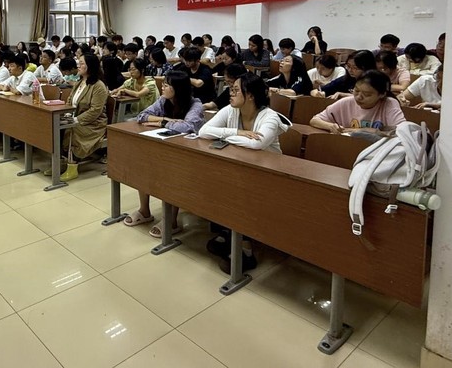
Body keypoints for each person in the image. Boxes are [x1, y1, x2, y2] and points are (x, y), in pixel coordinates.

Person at [199, 73, 291, 272]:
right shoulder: (231, 110)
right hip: (241, 167)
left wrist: (224, 136)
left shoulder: (269, 116)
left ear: (250, 95)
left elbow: (257, 144)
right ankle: (229, 232)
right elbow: (203, 132)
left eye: (235, 90)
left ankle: (246, 247)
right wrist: (237, 132)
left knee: (241, 193)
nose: (230, 94)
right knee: (217, 184)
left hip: (269, 174)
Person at [126, 71, 204, 236]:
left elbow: (188, 127)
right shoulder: (163, 100)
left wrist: (161, 123)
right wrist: (166, 120)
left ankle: (172, 220)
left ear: (178, 89)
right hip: (165, 147)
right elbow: (142, 116)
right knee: (143, 167)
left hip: (188, 154)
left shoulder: (195, 104)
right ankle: (144, 211)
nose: (162, 87)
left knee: (172, 174)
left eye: (167, 85)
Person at [310, 70, 405, 135]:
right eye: (356, 91)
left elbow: (402, 131)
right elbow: (314, 120)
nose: (359, 97)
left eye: (367, 94)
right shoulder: (347, 102)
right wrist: (331, 126)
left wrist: (359, 131)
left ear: (382, 94)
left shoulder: (389, 103)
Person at [60, 54, 109, 181]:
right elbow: (70, 101)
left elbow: (95, 110)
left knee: (73, 129)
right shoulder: (79, 82)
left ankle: (72, 167)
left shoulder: (99, 86)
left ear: (90, 66)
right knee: (56, 127)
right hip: (76, 118)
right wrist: (67, 114)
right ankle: (59, 162)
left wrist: (76, 120)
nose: (78, 66)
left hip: (94, 123)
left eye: (81, 63)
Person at [311, 49, 376, 99]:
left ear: (367, 68)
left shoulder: (375, 82)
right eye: (348, 66)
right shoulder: (346, 79)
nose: (350, 70)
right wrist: (317, 93)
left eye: (355, 68)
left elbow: (371, 98)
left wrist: (343, 95)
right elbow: (319, 90)